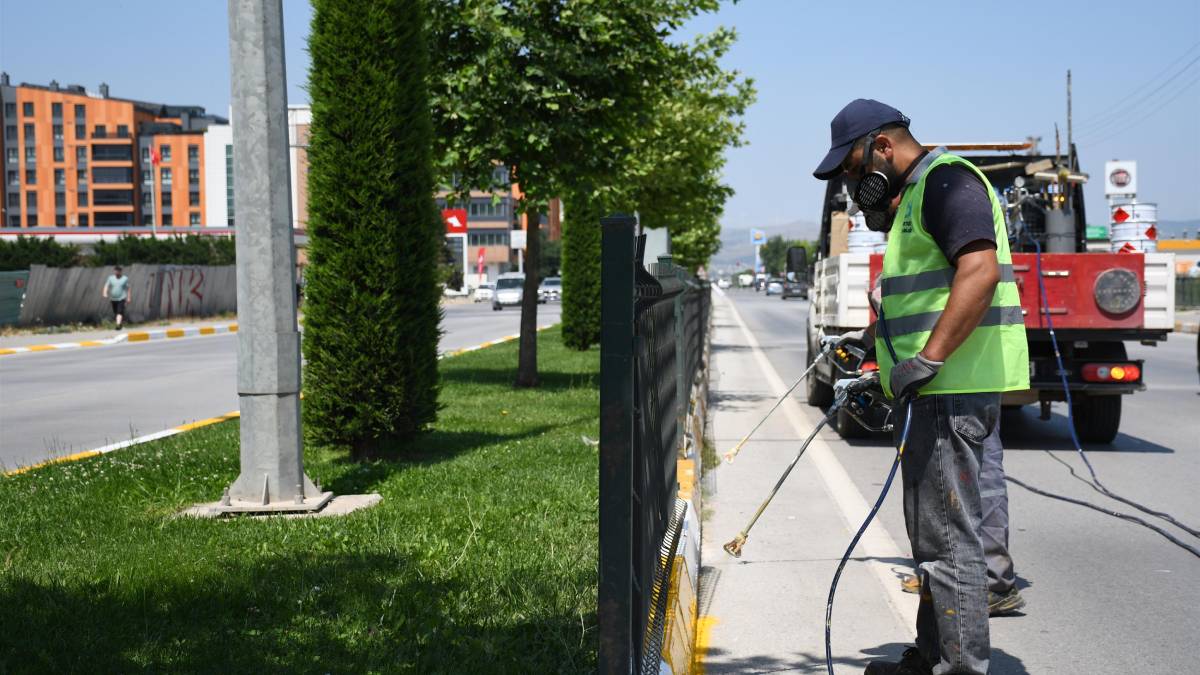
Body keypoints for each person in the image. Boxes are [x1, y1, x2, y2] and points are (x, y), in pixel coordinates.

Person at [814, 100, 1028, 675]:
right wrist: (872, 339)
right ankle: (930, 656)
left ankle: (958, 668)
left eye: (854, 169)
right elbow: (924, 295)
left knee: (950, 544)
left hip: (950, 389)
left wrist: (928, 359)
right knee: (934, 539)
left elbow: (978, 271)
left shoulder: (947, 182)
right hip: (934, 391)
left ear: (882, 146)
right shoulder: (914, 198)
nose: (854, 183)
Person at [101, 265, 131, 330]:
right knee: (116, 312)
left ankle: (117, 325)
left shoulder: (125, 278)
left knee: (119, 312)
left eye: (119, 270)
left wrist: (128, 297)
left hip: (122, 298)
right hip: (113, 298)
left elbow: (128, 288)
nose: (117, 271)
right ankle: (120, 324)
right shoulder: (110, 278)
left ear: (121, 271)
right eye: (116, 270)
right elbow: (106, 285)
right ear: (114, 271)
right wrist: (105, 293)